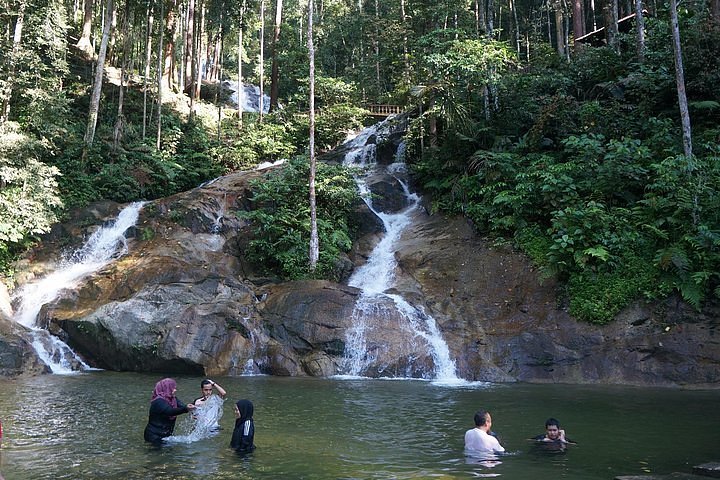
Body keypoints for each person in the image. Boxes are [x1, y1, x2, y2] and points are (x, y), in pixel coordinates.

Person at [144, 378, 196, 444]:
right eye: (173, 388)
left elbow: (183, 406)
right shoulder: (158, 401)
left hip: (166, 435)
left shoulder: (173, 399)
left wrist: (193, 410)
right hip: (154, 436)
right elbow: (170, 412)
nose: (175, 390)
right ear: (167, 388)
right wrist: (186, 409)